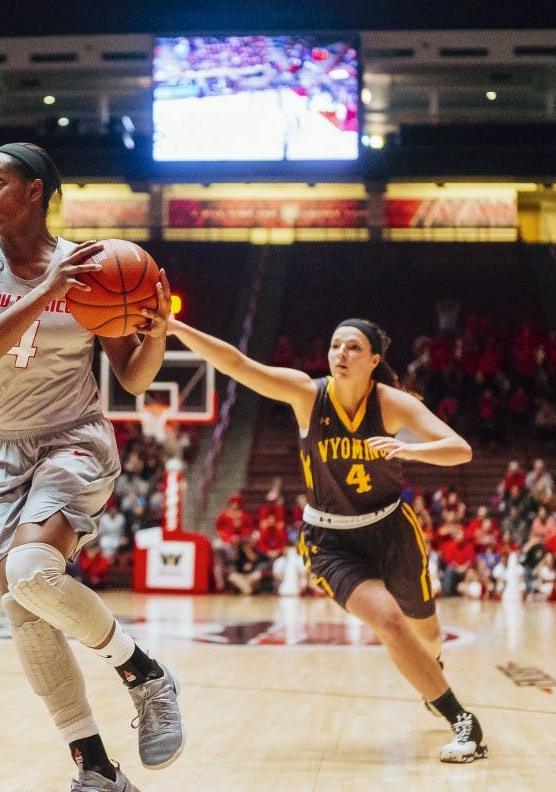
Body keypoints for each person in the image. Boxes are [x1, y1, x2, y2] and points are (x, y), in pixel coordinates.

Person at [0, 142, 183, 792]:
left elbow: (134, 378)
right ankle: (96, 768)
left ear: (36, 190)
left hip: (74, 438)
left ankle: (144, 674)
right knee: (24, 606)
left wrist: (157, 333)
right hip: (6, 450)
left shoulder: (93, 266)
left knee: (30, 570)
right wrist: (46, 292)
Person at [167, 314, 488, 764]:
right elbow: (239, 364)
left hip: (392, 530)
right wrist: (179, 329)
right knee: (389, 622)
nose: (342, 354)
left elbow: (460, 449)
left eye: (354, 347)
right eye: (336, 345)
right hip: (331, 540)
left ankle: (430, 673)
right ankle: (463, 720)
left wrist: (410, 449)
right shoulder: (307, 394)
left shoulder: (391, 404)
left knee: (427, 636)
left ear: (374, 360)